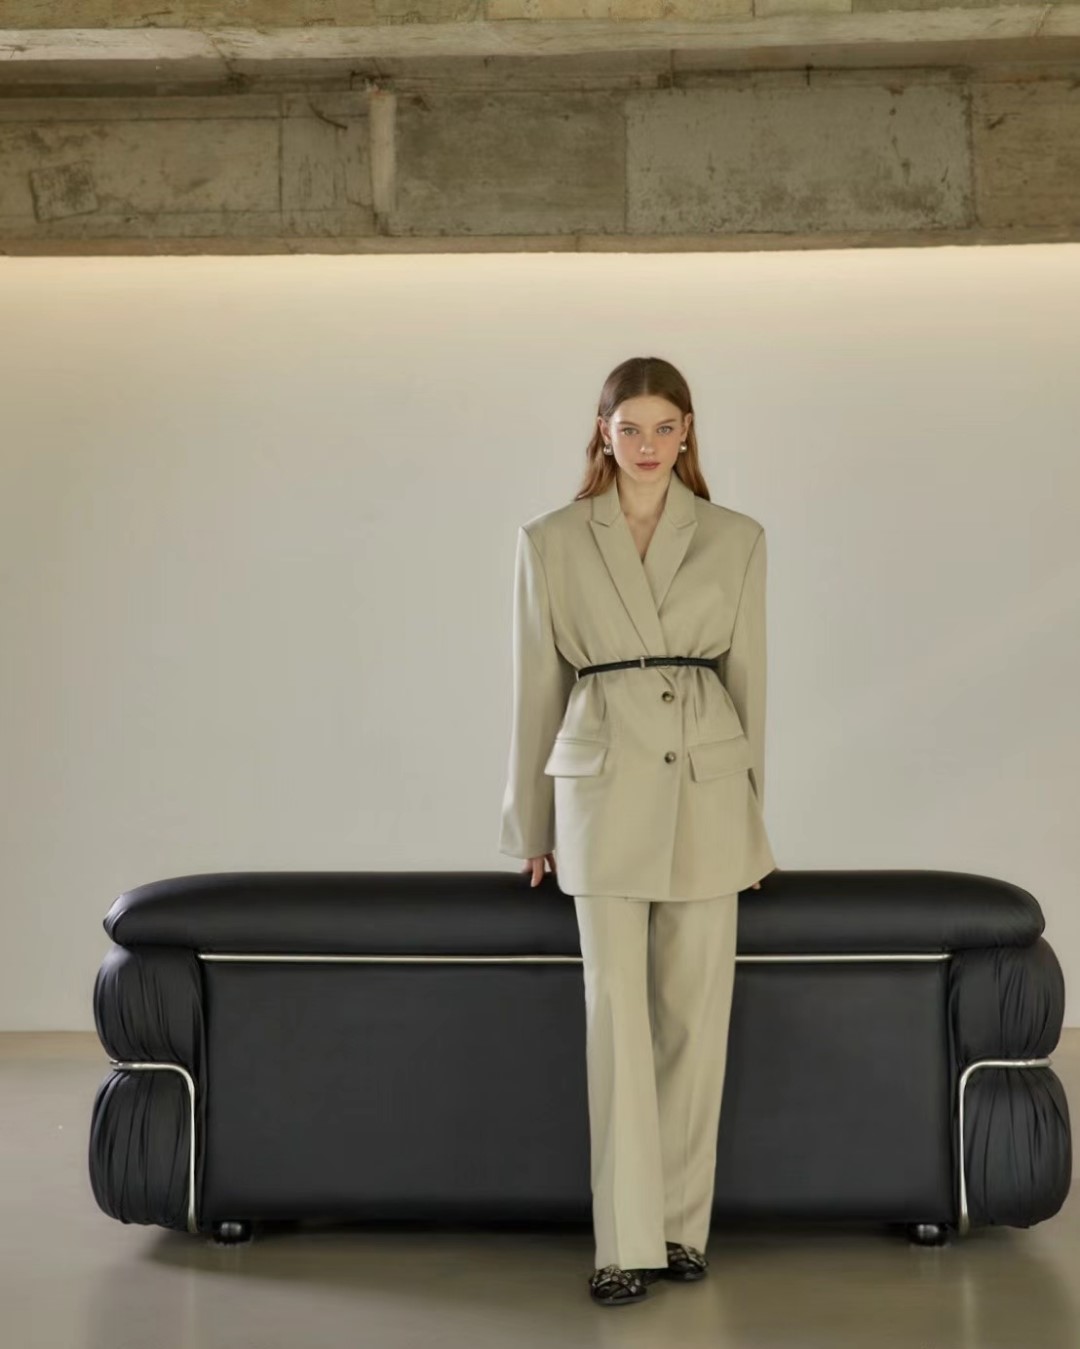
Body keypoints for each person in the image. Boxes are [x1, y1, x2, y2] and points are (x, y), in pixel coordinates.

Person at [498, 355, 778, 1305]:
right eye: (630, 429)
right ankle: (622, 1243)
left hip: (708, 788)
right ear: (603, 432)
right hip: (601, 786)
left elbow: (751, 683)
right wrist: (530, 819)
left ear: (687, 431)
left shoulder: (737, 537)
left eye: (664, 427)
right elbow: (535, 686)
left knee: (697, 1018)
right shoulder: (551, 540)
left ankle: (681, 1228)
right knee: (616, 1017)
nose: (648, 445)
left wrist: (752, 817)